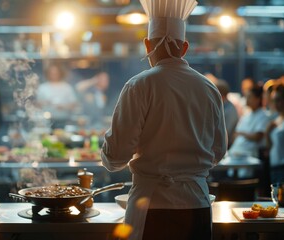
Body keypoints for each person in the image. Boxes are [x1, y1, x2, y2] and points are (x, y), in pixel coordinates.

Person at [100, 0, 227, 239]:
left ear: (147, 44)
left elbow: (116, 157)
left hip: (150, 206)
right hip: (196, 204)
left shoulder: (139, 85)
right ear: (185, 47)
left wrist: (107, 151)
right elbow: (218, 151)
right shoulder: (209, 89)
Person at [36, 64, 78, 128]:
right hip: (47, 120)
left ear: (60, 73)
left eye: (56, 73)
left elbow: (74, 104)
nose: (54, 75)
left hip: (64, 119)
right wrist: (45, 102)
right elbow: (37, 104)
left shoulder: (66, 87)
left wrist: (63, 106)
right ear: (48, 74)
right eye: (52, 73)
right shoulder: (43, 87)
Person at [265, 84, 284, 183]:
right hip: (274, 167)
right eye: (274, 100)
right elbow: (269, 147)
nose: (276, 103)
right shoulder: (276, 121)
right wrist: (267, 133)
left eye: (278, 100)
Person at [215, 79, 239, 147]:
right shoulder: (222, 106)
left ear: (219, 94)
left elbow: (225, 133)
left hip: (226, 146)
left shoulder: (230, 110)